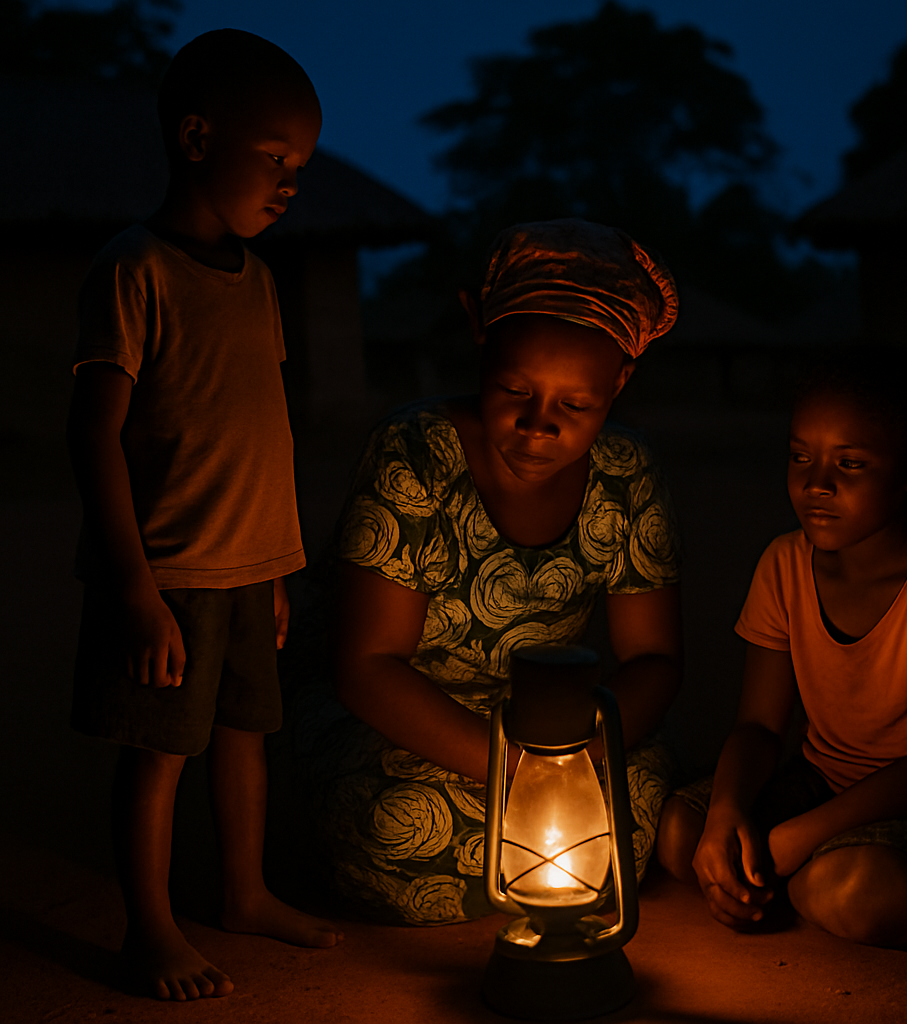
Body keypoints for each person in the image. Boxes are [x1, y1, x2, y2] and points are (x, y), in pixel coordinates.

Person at [290, 219, 684, 924]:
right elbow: (368, 667)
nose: (539, 425)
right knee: (396, 825)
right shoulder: (415, 454)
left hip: (551, 726)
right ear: (480, 341)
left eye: (576, 405)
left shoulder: (626, 473)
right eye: (514, 391)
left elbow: (653, 657)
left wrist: (578, 758)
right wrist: (523, 776)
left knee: (641, 794)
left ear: (620, 382)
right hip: (402, 723)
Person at [66, 29, 340, 1002]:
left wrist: (274, 569)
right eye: (274, 160)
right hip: (171, 571)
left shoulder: (259, 281)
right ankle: (149, 926)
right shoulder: (134, 268)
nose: (290, 184)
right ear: (194, 137)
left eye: (299, 168)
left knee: (242, 735)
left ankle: (244, 889)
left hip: (245, 568)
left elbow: (258, 427)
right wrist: (135, 590)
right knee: (158, 754)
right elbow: (95, 435)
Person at [657, 350, 907, 946]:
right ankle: (795, 872)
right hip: (820, 782)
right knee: (680, 832)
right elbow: (758, 727)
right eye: (800, 456)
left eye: (849, 464)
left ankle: (807, 878)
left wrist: (791, 840)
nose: (815, 483)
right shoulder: (784, 563)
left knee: (856, 891)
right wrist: (726, 812)